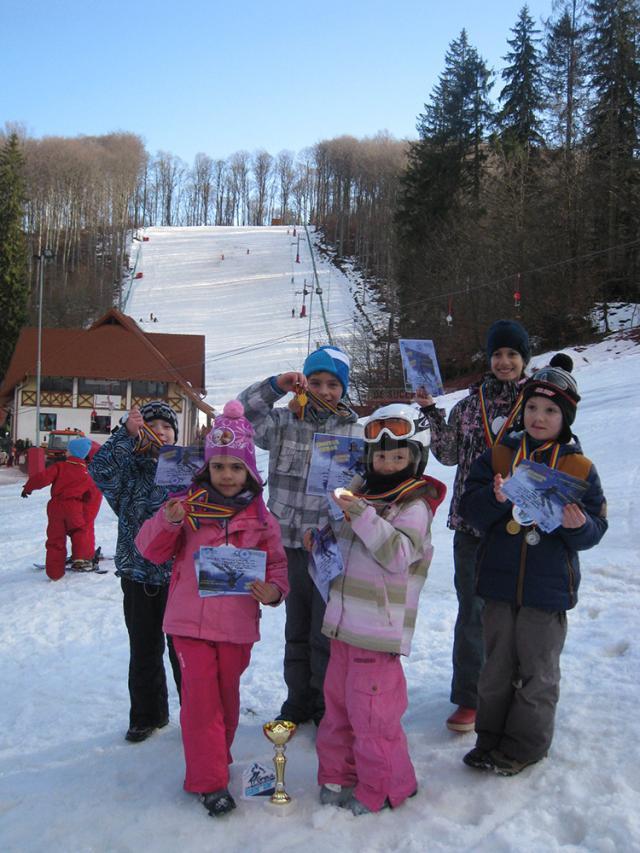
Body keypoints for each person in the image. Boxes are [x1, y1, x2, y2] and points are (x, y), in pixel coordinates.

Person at [135, 401, 289, 817]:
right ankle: (209, 781)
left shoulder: (261, 518)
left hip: (237, 626)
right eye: (219, 466)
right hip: (189, 623)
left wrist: (273, 591)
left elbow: (276, 566)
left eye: (235, 468)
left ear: (249, 472)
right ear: (207, 468)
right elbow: (149, 551)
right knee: (201, 701)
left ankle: (216, 760)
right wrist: (168, 521)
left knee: (226, 699)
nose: (226, 475)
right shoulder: (186, 508)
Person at [459, 361, 607, 775]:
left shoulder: (579, 468)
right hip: (499, 585)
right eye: (532, 409)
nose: (539, 418)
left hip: (547, 590)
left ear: (566, 418)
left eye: (551, 411)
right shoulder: (501, 456)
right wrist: (496, 500)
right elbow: (470, 509)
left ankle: (524, 746)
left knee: (538, 673)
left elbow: (597, 526)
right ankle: (490, 739)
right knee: (496, 669)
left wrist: (580, 527)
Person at [314, 404, 446, 814]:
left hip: (377, 633)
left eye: (397, 456)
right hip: (342, 626)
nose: (387, 464)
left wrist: (358, 511)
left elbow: (397, 554)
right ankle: (339, 775)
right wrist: (320, 541)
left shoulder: (414, 506)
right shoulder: (363, 493)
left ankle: (387, 787)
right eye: (380, 456)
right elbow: (347, 545)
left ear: (415, 458)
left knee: (373, 718)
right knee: (337, 711)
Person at [238, 346, 362, 725]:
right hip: (288, 544)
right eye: (318, 382)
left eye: (334, 384)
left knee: (325, 630)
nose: (325, 391)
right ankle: (297, 701)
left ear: (343, 389)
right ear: (305, 384)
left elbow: (362, 487)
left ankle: (324, 703)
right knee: (296, 627)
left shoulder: (354, 431)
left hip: (329, 547)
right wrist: (276, 386)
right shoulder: (281, 423)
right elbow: (241, 417)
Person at [418, 319, 530, 733]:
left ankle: (516, 692)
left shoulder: (535, 403)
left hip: (520, 525)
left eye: (512, 355)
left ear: (524, 361)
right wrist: (431, 412)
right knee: (473, 613)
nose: (504, 362)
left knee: (518, 612)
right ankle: (470, 697)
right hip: (471, 525)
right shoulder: (469, 406)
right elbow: (447, 455)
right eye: (497, 354)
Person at [89, 401, 183, 743]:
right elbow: (99, 470)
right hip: (138, 575)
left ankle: (197, 712)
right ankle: (147, 715)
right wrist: (125, 436)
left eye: (167, 427)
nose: (161, 431)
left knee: (185, 652)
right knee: (144, 648)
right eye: (152, 426)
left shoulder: (186, 469)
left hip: (180, 578)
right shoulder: (128, 471)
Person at [21, 436, 95, 579]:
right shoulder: (86, 474)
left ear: (72, 452)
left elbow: (42, 478)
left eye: (68, 449)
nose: (66, 452)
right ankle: (79, 556)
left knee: (56, 539)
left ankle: (54, 573)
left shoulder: (60, 467)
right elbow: (89, 495)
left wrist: (28, 488)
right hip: (75, 507)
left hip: (57, 507)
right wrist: (84, 505)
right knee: (79, 531)